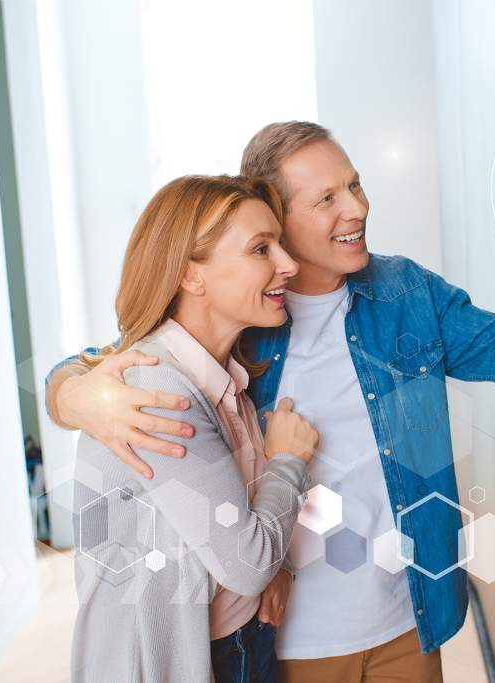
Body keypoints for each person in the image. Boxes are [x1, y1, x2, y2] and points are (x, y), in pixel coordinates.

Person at [49, 122, 495, 682]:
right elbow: (115, 361)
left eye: (355, 186)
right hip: (284, 633)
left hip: (406, 615)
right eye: (327, 199)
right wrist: (76, 395)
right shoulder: (241, 318)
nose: (357, 209)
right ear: (277, 218)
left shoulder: (405, 291)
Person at [69, 174, 318, 683]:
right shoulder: (159, 390)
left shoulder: (226, 380)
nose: (289, 265)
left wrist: (280, 567)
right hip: (193, 661)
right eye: (260, 249)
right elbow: (246, 563)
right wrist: (288, 460)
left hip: (241, 637)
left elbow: (237, 533)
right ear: (191, 276)